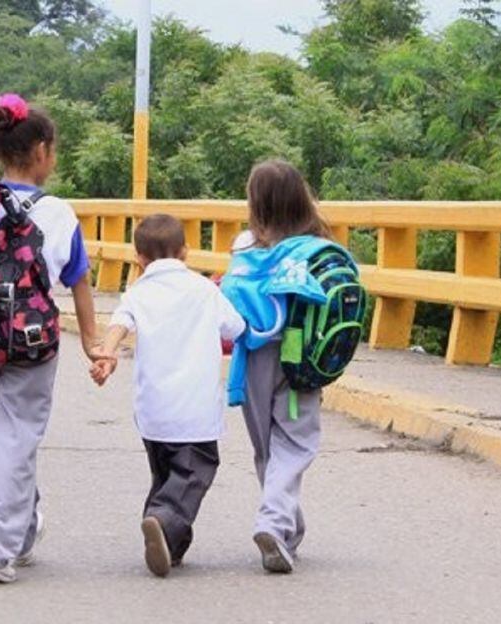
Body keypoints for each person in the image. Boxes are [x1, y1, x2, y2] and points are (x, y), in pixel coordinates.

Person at [0, 94, 99, 584]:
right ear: (41, 151)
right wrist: (92, 342)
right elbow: (79, 278)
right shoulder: (59, 212)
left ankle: (18, 529)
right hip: (32, 339)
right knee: (16, 439)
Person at [89, 214, 245, 578]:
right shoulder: (204, 289)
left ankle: (170, 546)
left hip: (153, 412)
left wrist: (107, 357)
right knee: (191, 476)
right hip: (194, 411)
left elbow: (119, 325)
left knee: (167, 478)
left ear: (138, 258)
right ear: (186, 252)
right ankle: (160, 519)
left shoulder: (138, 292)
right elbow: (236, 328)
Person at [221, 160, 332, 575]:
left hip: (253, 360)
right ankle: (274, 523)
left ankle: (285, 529)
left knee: (270, 447)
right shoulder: (317, 247)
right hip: (300, 360)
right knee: (296, 442)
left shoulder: (244, 246)